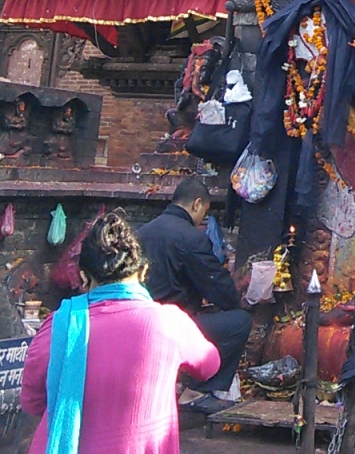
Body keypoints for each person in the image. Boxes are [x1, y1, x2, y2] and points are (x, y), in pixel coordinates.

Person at [21, 210, 219, 454]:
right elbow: (209, 365)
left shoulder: (58, 325)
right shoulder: (170, 322)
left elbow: (32, 402)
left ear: (84, 278)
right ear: (144, 272)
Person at [137, 178, 251, 414]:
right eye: (204, 213)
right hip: (173, 325)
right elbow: (218, 287)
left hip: (141, 323)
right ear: (197, 204)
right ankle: (196, 391)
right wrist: (235, 300)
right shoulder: (191, 238)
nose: (202, 219)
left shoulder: (142, 233)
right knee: (239, 322)